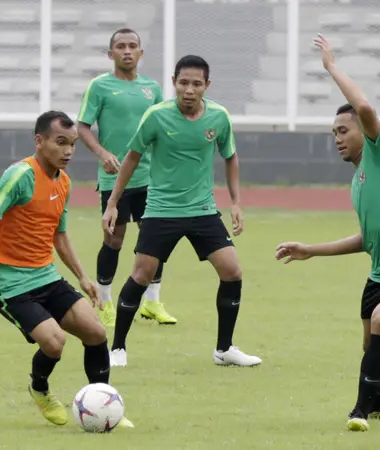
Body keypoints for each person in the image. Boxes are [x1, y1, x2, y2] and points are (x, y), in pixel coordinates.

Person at [274, 34, 380, 432]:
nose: (337, 138)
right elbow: (367, 239)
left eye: (343, 131)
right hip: (379, 278)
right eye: (333, 133)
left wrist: (331, 67)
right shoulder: (357, 182)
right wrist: (310, 249)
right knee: (374, 346)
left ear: (362, 133)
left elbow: (363, 106)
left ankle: (359, 412)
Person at [0, 111, 134, 429]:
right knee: (54, 342)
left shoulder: (63, 182)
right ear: (40, 141)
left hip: (47, 276)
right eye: (60, 143)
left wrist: (82, 276)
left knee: (96, 332)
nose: (68, 151)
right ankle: (39, 388)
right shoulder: (20, 175)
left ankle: (105, 405)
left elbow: (59, 234)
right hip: (12, 286)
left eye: (73, 144)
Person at [101, 54, 262, 369]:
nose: (189, 90)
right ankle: (117, 348)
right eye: (184, 82)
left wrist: (235, 201)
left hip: (203, 210)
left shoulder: (218, 117)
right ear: (174, 83)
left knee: (233, 271)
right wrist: (112, 203)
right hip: (161, 210)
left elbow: (230, 157)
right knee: (141, 275)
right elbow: (132, 158)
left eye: (196, 84)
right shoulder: (156, 116)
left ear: (207, 85)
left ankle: (224, 349)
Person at [77, 27, 177, 327]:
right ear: (111, 54)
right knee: (114, 239)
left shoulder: (153, 89)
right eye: (120, 46)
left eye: (133, 46)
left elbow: (162, 129)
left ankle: (152, 302)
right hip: (114, 178)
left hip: (150, 178)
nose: (127, 51)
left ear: (141, 53)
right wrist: (102, 153)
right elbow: (82, 127)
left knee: (154, 238)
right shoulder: (100, 86)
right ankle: (104, 302)